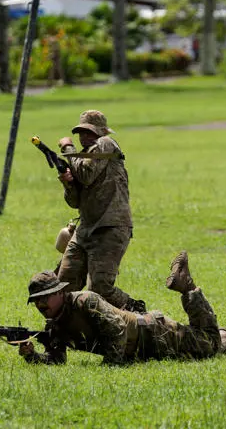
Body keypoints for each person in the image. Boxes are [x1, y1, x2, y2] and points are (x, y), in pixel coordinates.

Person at [19, 251, 226, 365]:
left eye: (44, 298)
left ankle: (189, 288)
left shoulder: (85, 300)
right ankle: (219, 335)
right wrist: (32, 356)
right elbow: (57, 360)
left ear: (60, 292)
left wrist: (111, 366)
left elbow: (117, 329)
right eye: (36, 301)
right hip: (143, 349)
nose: (40, 304)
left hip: (153, 333)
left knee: (210, 346)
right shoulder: (55, 324)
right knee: (200, 346)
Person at [56, 110, 146, 313]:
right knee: (62, 287)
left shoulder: (106, 144)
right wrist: (68, 183)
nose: (84, 137)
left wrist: (68, 148)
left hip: (110, 227)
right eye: (81, 132)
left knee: (100, 288)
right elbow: (74, 202)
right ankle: (63, 327)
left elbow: (86, 175)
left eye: (89, 132)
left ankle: (137, 313)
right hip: (85, 229)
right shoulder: (84, 158)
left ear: (101, 132)